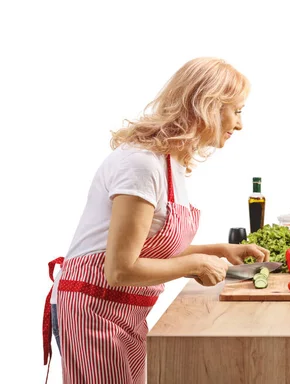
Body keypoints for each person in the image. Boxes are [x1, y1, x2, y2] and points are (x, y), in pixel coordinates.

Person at [42, 57, 270, 384]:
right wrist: (195, 265)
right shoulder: (142, 164)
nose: (240, 124)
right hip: (94, 312)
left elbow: (147, 250)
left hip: (122, 310)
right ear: (208, 106)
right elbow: (120, 269)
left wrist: (220, 250)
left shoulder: (168, 163)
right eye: (237, 110)